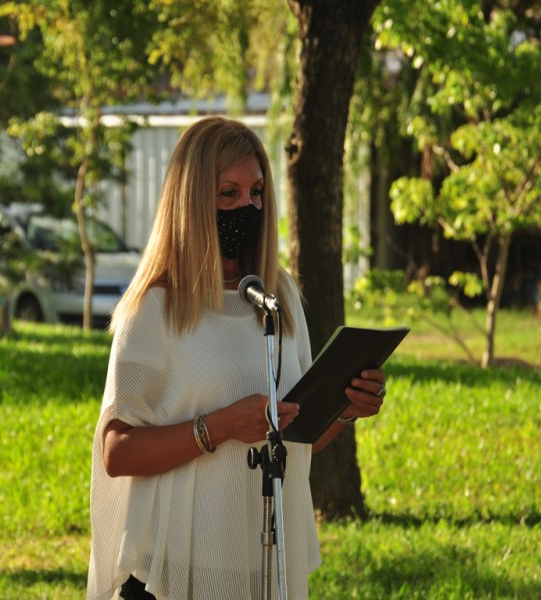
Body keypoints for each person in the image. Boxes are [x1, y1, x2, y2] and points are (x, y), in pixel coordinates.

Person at [86, 116, 386, 600]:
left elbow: (294, 438)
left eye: (256, 193)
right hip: (173, 570)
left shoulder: (279, 297)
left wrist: (347, 406)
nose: (246, 207)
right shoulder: (156, 307)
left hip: (261, 564)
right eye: (228, 194)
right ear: (192, 200)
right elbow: (117, 452)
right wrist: (217, 427)